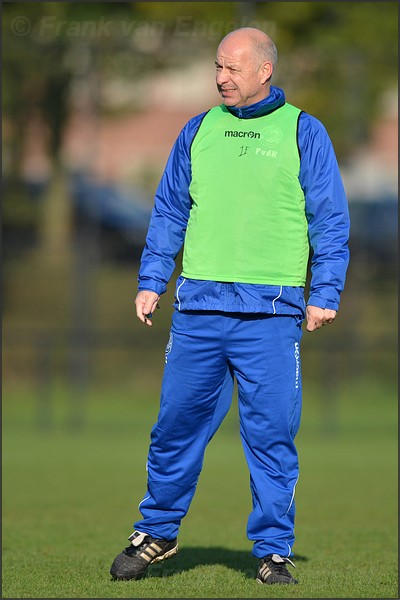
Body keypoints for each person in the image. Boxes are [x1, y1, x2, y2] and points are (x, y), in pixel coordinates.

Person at [110, 27, 350, 585]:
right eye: (217, 67)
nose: (221, 78)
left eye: (233, 68)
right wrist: (153, 280)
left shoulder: (304, 133)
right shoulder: (197, 130)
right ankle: (158, 533)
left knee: (270, 435)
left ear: (264, 71)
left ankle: (273, 550)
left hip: (270, 315)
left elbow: (330, 220)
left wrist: (326, 292)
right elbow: (170, 211)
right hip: (197, 313)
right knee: (174, 428)